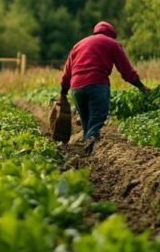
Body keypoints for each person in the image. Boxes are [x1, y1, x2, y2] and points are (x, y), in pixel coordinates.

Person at [60, 21, 149, 154]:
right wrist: (140, 86)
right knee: (97, 116)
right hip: (97, 84)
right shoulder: (112, 44)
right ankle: (90, 139)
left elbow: (67, 71)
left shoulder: (79, 44)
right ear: (112, 34)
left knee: (86, 119)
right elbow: (126, 71)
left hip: (77, 87)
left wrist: (63, 92)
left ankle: (87, 146)